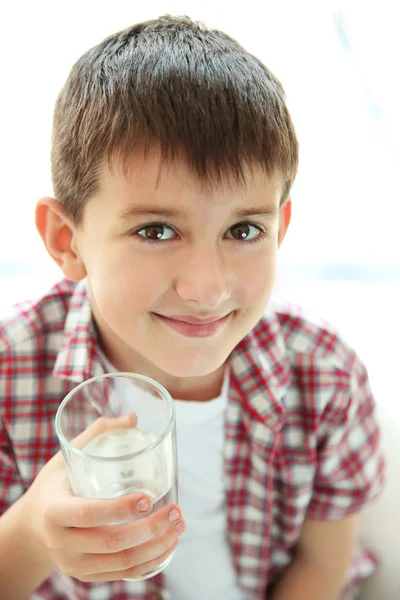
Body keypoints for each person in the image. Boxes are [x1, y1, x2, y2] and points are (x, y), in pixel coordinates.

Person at [0, 15, 385, 600]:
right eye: (156, 231)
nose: (207, 288)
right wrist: (30, 535)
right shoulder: (11, 372)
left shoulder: (324, 374)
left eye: (243, 230)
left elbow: (324, 565)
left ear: (279, 228)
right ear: (65, 239)